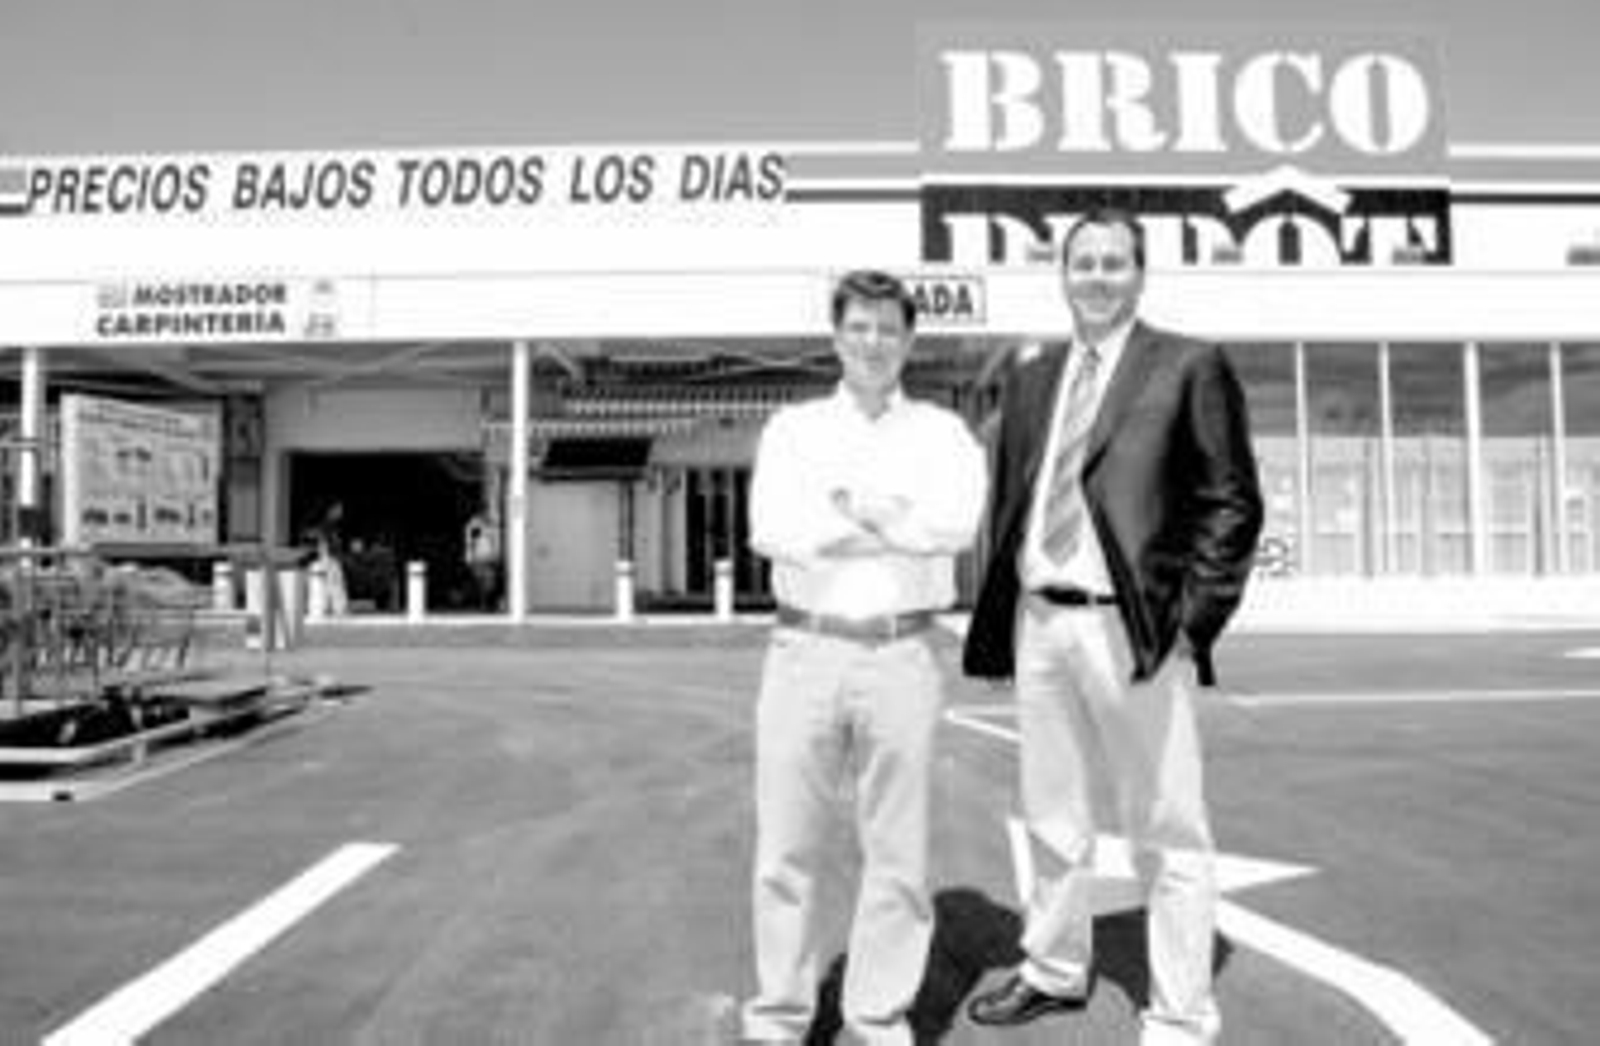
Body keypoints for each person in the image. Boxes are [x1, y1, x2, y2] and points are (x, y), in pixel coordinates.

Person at [961, 207, 1263, 1045]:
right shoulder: (1029, 379)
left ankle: (1179, 1012)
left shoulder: (1189, 365)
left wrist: (1189, 622)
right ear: (1064, 272)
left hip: (1132, 630)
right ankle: (1055, 970)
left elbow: (1231, 504)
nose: (1097, 275)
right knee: (1052, 819)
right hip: (1041, 624)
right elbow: (1017, 503)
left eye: (1114, 262)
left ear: (1140, 272)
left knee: (1167, 830)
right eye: (1083, 261)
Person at [742, 270, 988, 1045]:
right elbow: (771, 527)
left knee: (899, 853)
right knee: (785, 848)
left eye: (889, 328)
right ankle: (780, 1015)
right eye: (860, 327)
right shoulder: (792, 428)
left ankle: (877, 1015)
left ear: (910, 340)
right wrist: (887, 521)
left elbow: (956, 524)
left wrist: (858, 514)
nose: (874, 342)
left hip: (902, 652)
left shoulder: (943, 434)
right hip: (803, 648)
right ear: (836, 336)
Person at [463, 509, 502, 610]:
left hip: (488, 558)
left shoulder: (491, 528)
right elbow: (469, 542)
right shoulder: (474, 526)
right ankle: (483, 604)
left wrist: (496, 555)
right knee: (480, 583)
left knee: (490, 583)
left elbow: (495, 542)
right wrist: (469, 556)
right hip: (478, 558)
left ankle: (489, 605)